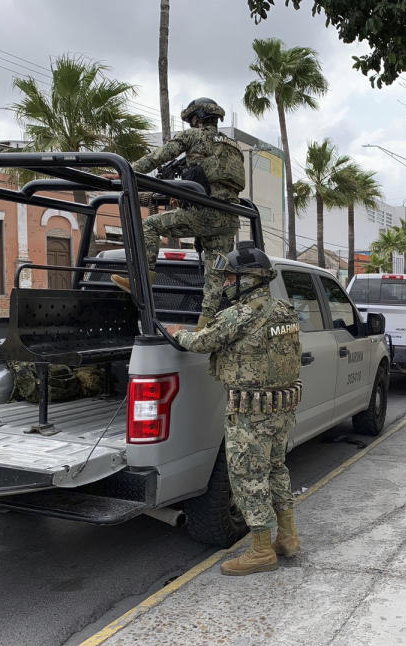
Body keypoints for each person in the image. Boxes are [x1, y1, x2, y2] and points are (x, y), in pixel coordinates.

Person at [164, 242, 303, 576]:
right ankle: (287, 537)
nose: (225, 284)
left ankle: (260, 551)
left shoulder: (239, 314)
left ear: (248, 279)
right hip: (280, 406)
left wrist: (176, 333)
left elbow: (201, 343)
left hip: (250, 411)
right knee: (275, 470)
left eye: (229, 278)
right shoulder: (285, 310)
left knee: (247, 476)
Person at [112, 97, 246, 328]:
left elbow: (158, 156)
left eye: (192, 119)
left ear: (197, 118)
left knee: (150, 225)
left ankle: (143, 281)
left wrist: (125, 172)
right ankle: (206, 324)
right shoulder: (234, 146)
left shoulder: (193, 136)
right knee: (215, 275)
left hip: (202, 213)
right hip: (228, 217)